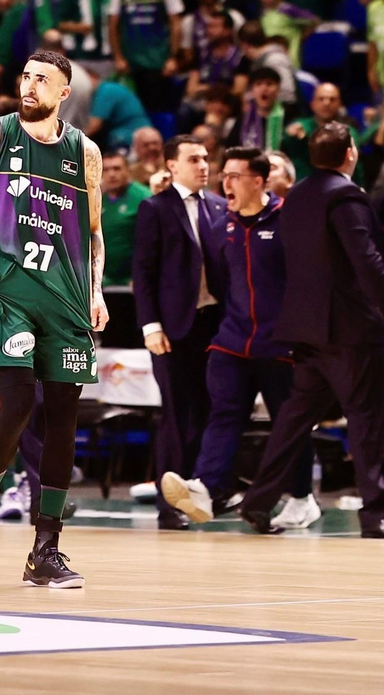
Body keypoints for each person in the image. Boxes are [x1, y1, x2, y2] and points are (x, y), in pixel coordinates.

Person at [0, 50, 108, 589]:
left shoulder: (85, 152)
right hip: (11, 297)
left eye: (43, 81)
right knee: (15, 406)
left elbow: (95, 232)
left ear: (64, 94)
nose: (30, 85)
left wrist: (97, 291)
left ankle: (46, 548)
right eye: (27, 76)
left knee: (63, 419)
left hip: (69, 300)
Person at [235, 124, 384, 539]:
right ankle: (377, 515)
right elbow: (367, 259)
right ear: (350, 153)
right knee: (367, 420)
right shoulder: (345, 195)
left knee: (294, 421)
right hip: (348, 330)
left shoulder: (296, 196)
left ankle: (258, 501)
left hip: (305, 328)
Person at [160, 148, 318, 530]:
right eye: (224, 175)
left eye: (236, 176)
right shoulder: (221, 225)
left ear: (259, 181)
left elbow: (307, 279)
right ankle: (206, 488)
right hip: (232, 340)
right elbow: (219, 279)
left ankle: (301, 497)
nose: (225, 183)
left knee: (288, 423)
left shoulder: (289, 219)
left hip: (280, 343)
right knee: (224, 414)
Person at [132, 135, 226, 530]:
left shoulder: (221, 207)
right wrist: (150, 325)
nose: (203, 165)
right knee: (175, 413)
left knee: (209, 411)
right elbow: (144, 272)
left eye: (206, 158)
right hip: (171, 328)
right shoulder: (155, 208)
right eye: (193, 159)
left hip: (215, 325)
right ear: (172, 165)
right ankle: (169, 504)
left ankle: (199, 492)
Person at [109, 0, 183, 109]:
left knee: (158, 110)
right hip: (130, 63)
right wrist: (118, 57)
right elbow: (113, 25)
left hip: (159, 62)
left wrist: (173, 57)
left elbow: (175, 23)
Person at [99, 150, 150, 286]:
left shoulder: (144, 198)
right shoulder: (96, 199)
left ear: (128, 170)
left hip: (134, 280)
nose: (111, 174)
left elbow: (151, 243)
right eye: (106, 170)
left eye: (117, 169)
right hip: (105, 279)